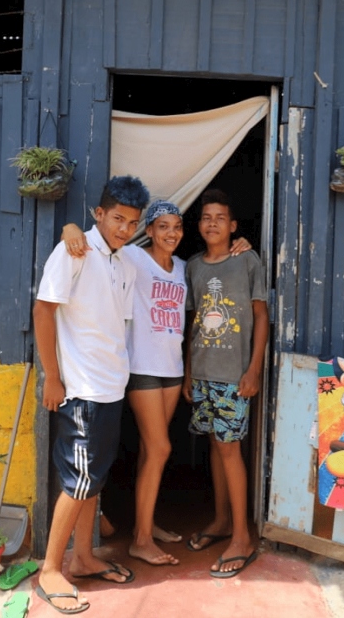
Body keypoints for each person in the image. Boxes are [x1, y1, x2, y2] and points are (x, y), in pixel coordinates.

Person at [61, 200, 251, 567]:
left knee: (153, 452)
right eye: (163, 226)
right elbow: (99, 244)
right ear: (149, 230)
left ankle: (146, 526)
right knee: (160, 447)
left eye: (177, 227)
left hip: (172, 369)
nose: (171, 233)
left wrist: (242, 244)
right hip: (142, 368)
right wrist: (71, 230)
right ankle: (141, 540)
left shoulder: (183, 267)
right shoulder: (132, 257)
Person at [32, 176, 149, 614]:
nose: (124, 228)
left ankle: (82, 558)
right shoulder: (74, 251)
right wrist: (52, 376)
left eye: (132, 222)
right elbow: (44, 310)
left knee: (92, 479)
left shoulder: (126, 262)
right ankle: (50, 570)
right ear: (99, 214)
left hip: (110, 387)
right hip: (81, 388)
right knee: (79, 481)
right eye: (117, 218)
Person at [182, 188, 268, 578]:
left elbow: (261, 317)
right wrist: (187, 372)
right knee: (218, 448)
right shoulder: (193, 266)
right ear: (198, 226)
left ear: (233, 226)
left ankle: (241, 537)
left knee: (230, 450)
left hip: (234, 375)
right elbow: (192, 322)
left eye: (220, 217)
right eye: (206, 217)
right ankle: (219, 521)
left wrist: (253, 369)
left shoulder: (247, 261)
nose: (212, 222)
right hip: (202, 373)